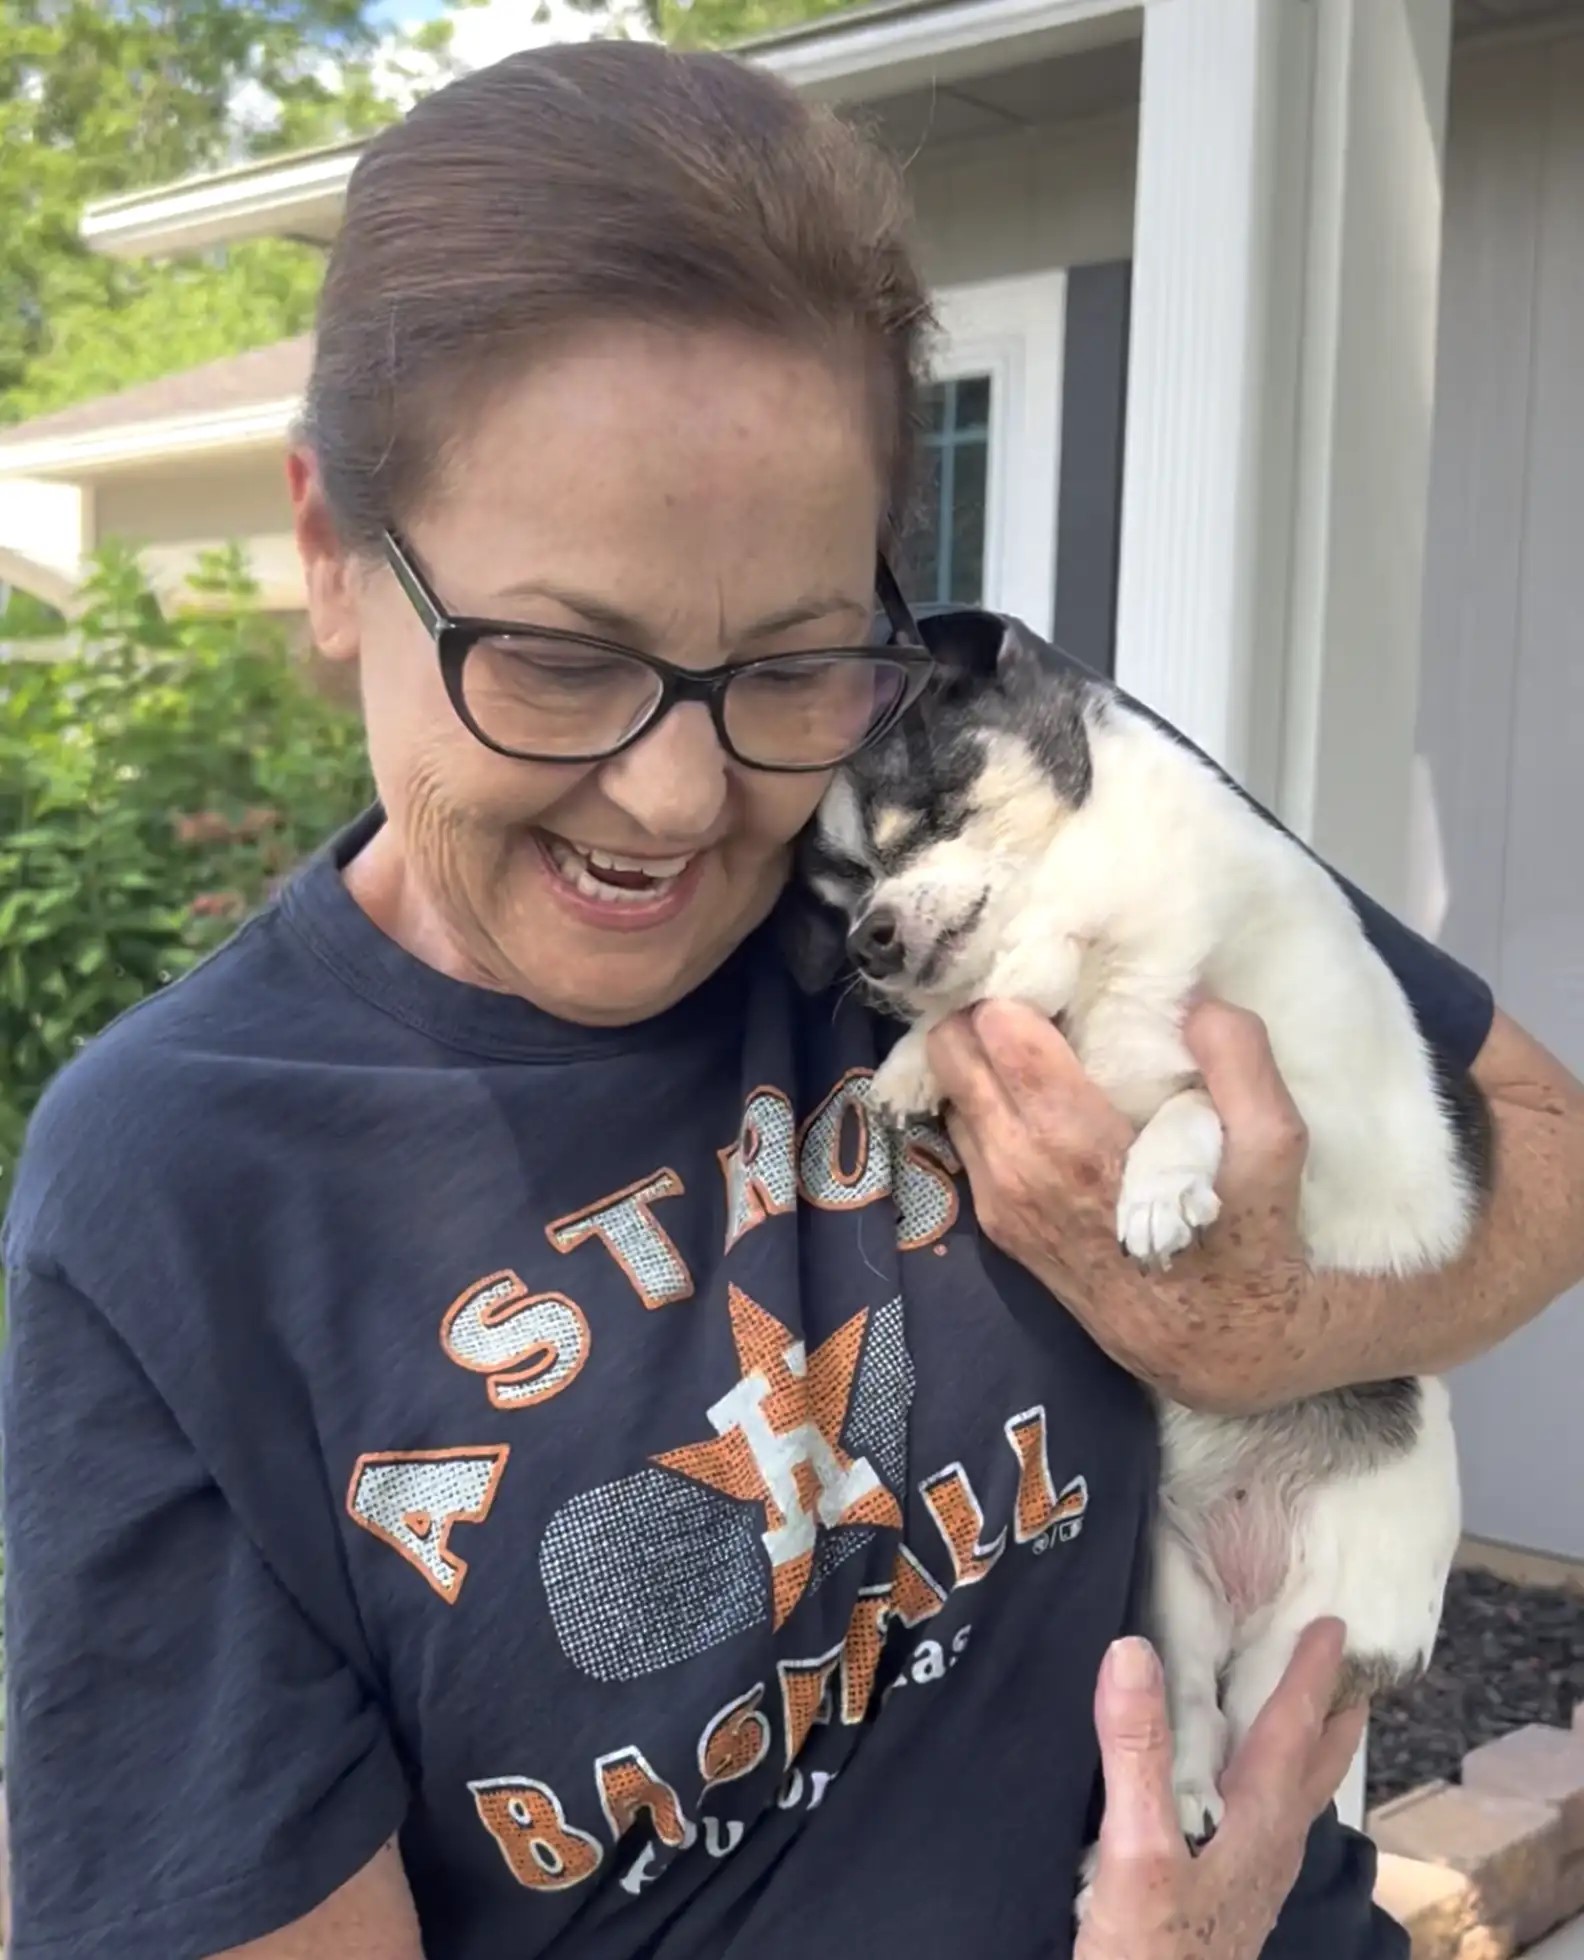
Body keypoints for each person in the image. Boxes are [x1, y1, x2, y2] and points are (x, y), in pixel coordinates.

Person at [3, 41, 1582, 1960]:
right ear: (331, 555)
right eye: (560, 660)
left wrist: (1272, 1330)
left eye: (791, 660)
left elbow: (1551, 1144)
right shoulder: (177, 1188)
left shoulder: (979, 770)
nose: (684, 805)